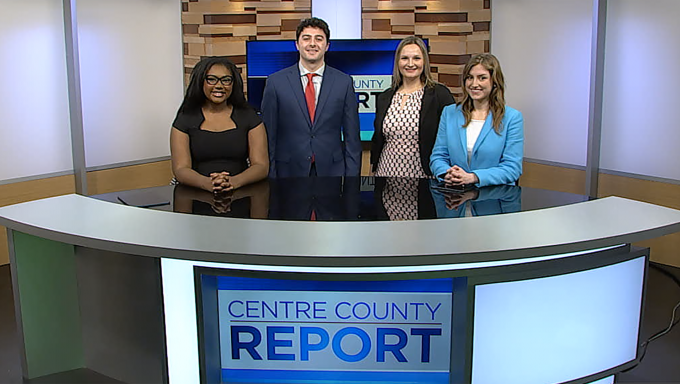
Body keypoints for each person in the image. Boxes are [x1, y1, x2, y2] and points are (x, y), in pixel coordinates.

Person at [261, 17, 361, 178]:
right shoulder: (275, 82)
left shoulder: (344, 82)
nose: (312, 44)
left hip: (331, 173)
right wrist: (270, 177)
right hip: (287, 172)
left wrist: (351, 179)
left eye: (319, 39)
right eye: (306, 38)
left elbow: (352, 138)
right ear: (297, 44)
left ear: (327, 46)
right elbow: (268, 137)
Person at [170, 56, 268, 192]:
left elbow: (261, 166)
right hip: (195, 192)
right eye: (211, 79)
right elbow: (181, 169)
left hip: (241, 190)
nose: (219, 85)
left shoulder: (249, 117)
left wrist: (233, 182)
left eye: (226, 80)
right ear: (200, 82)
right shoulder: (185, 118)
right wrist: (208, 183)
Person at [430, 53, 524, 187]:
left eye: (482, 78)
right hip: (455, 199)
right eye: (470, 78)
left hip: (493, 199)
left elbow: (512, 168)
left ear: (494, 82)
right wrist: (447, 173)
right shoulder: (450, 113)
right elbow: (438, 156)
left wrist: (473, 177)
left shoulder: (512, 118)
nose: (474, 84)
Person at [371, 36, 455, 178]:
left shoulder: (439, 94)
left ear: (424, 62)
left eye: (416, 58)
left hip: (424, 176)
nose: (410, 64)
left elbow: (453, 137)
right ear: (398, 62)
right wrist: (372, 169)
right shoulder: (385, 97)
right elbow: (378, 140)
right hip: (385, 174)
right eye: (404, 58)